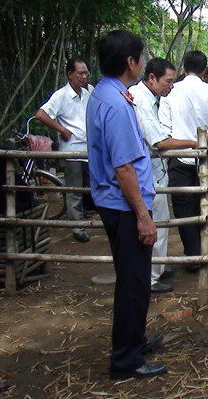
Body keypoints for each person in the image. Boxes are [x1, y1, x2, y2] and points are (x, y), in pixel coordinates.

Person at [86, 30, 166, 380]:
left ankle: (135, 340)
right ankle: (126, 360)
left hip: (115, 202)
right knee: (134, 283)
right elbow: (123, 167)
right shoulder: (117, 105)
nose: (142, 61)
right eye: (139, 56)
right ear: (130, 63)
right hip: (123, 205)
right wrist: (143, 216)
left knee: (132, 279)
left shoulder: (105, 94)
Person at [129, 58, 198, 294]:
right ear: (151, 78)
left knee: (162, 220)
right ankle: (150, 277)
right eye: (168, 81)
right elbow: (159, 142)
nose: (171, 86)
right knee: (156, 221)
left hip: (155, 172)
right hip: (147, 174)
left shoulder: (149, 98)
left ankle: (157, 266)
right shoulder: (140, 100)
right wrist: (193, 142)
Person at [159, 51, 208, 265]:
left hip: (178, 156)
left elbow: (165, 129)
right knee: (201, 199)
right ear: (204, 70)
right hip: (204, 157)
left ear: (183, 67)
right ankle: (200, 249)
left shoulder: (170, 92)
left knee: (182, 205)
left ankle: (192, 254)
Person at [35, 57, 92, 243]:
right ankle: (77, 226)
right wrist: (61, 130)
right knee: (73, 189)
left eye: (86, 73)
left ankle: (84, 216)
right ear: (69, 74)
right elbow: (41, 114)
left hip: (90, 149)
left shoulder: (89, 92)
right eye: (80, 73)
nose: (84, 76)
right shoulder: (61, 96)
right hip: (73, 150)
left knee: (91, 186)